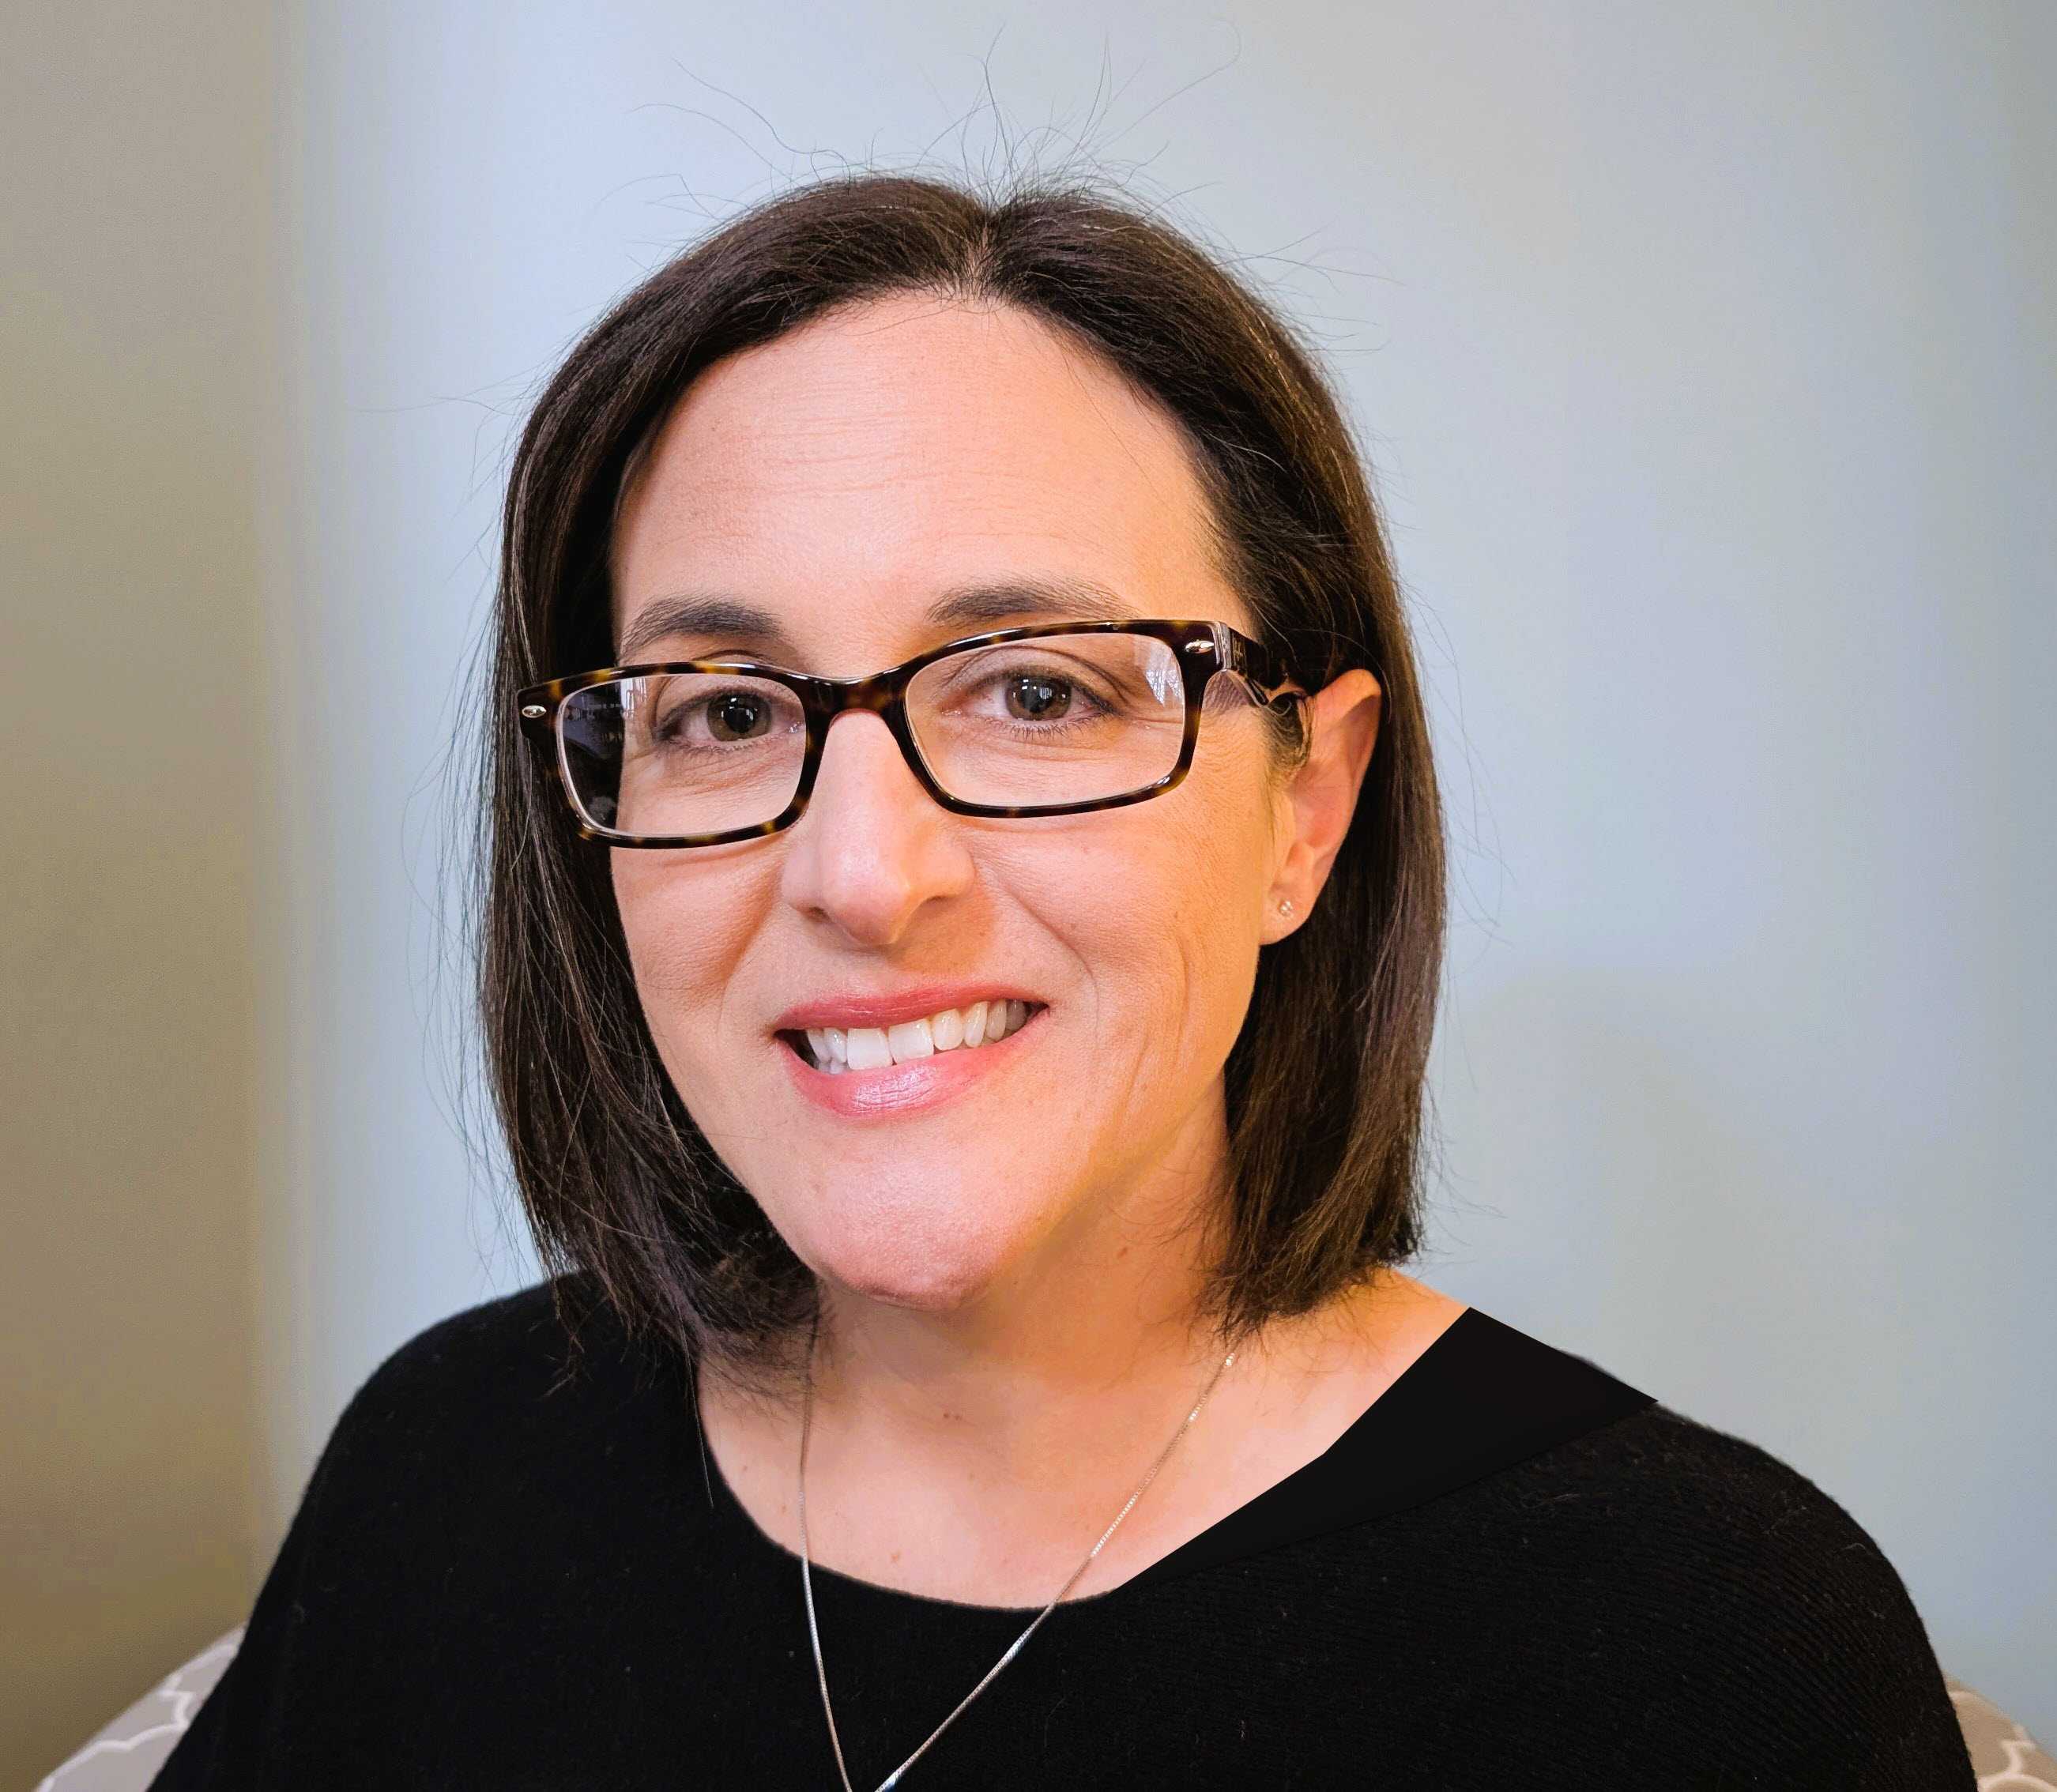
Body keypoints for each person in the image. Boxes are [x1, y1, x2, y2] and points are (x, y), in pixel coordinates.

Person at [155, 175, 1972, 1790]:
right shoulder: (454, 1470)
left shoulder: (1709, 1650)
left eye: (1036, 691)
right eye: (722, 712)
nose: (864, 875)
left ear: (1305, 810)